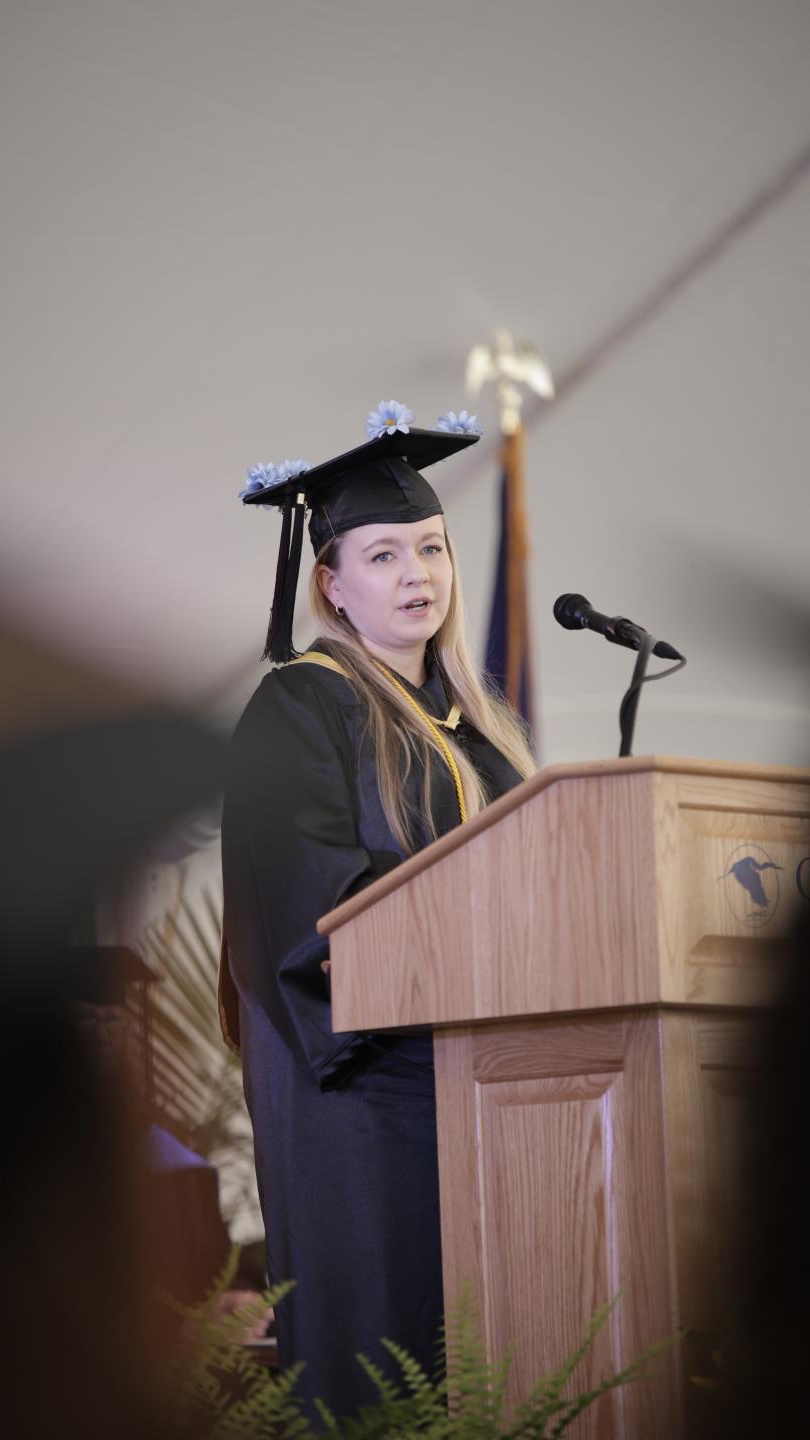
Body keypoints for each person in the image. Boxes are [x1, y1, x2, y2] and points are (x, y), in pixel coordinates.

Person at [219, 401, 536, 1420]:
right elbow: (312, 905)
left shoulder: (480, 731)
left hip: (484, 1079)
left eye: (434, 549)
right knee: (389, 1349)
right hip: (368, 1087)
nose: (419, 576)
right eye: (386, 554)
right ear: (332, 584)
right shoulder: (300, 707)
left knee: (494, 1349)